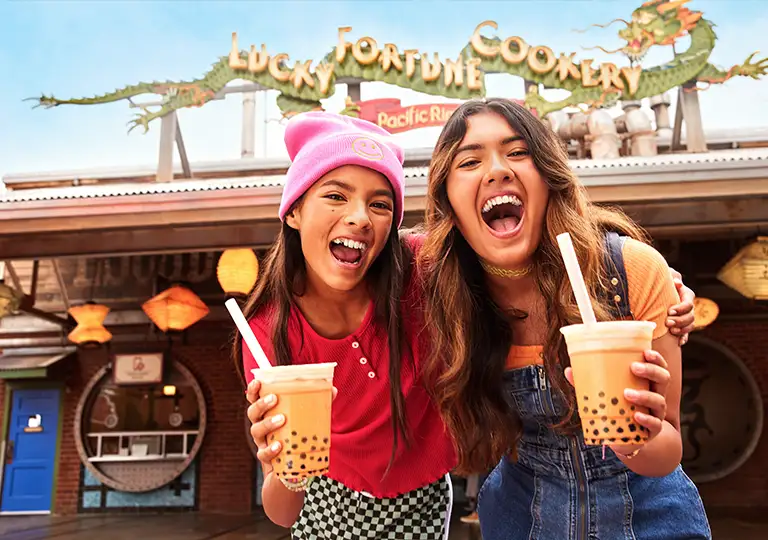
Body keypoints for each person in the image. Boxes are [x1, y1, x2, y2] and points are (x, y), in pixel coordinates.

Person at [416, 97, 711, 539]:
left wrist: (637, 437)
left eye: (518, 152)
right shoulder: (441, 292)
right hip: (520, 522)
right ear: (449, 203)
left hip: (651, 522)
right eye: (470, 160)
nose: (497, 170)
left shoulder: (630, 272)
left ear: (550, 178)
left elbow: (668, 449)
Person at [236, 112, 455, 539]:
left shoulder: (423, 272)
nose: (360, 217)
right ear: (295, 210)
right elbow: (282, 513)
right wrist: (285, 466)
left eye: (379, 204)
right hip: (325, 504)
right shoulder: (268, 334)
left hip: (423, 499)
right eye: (336, 196)